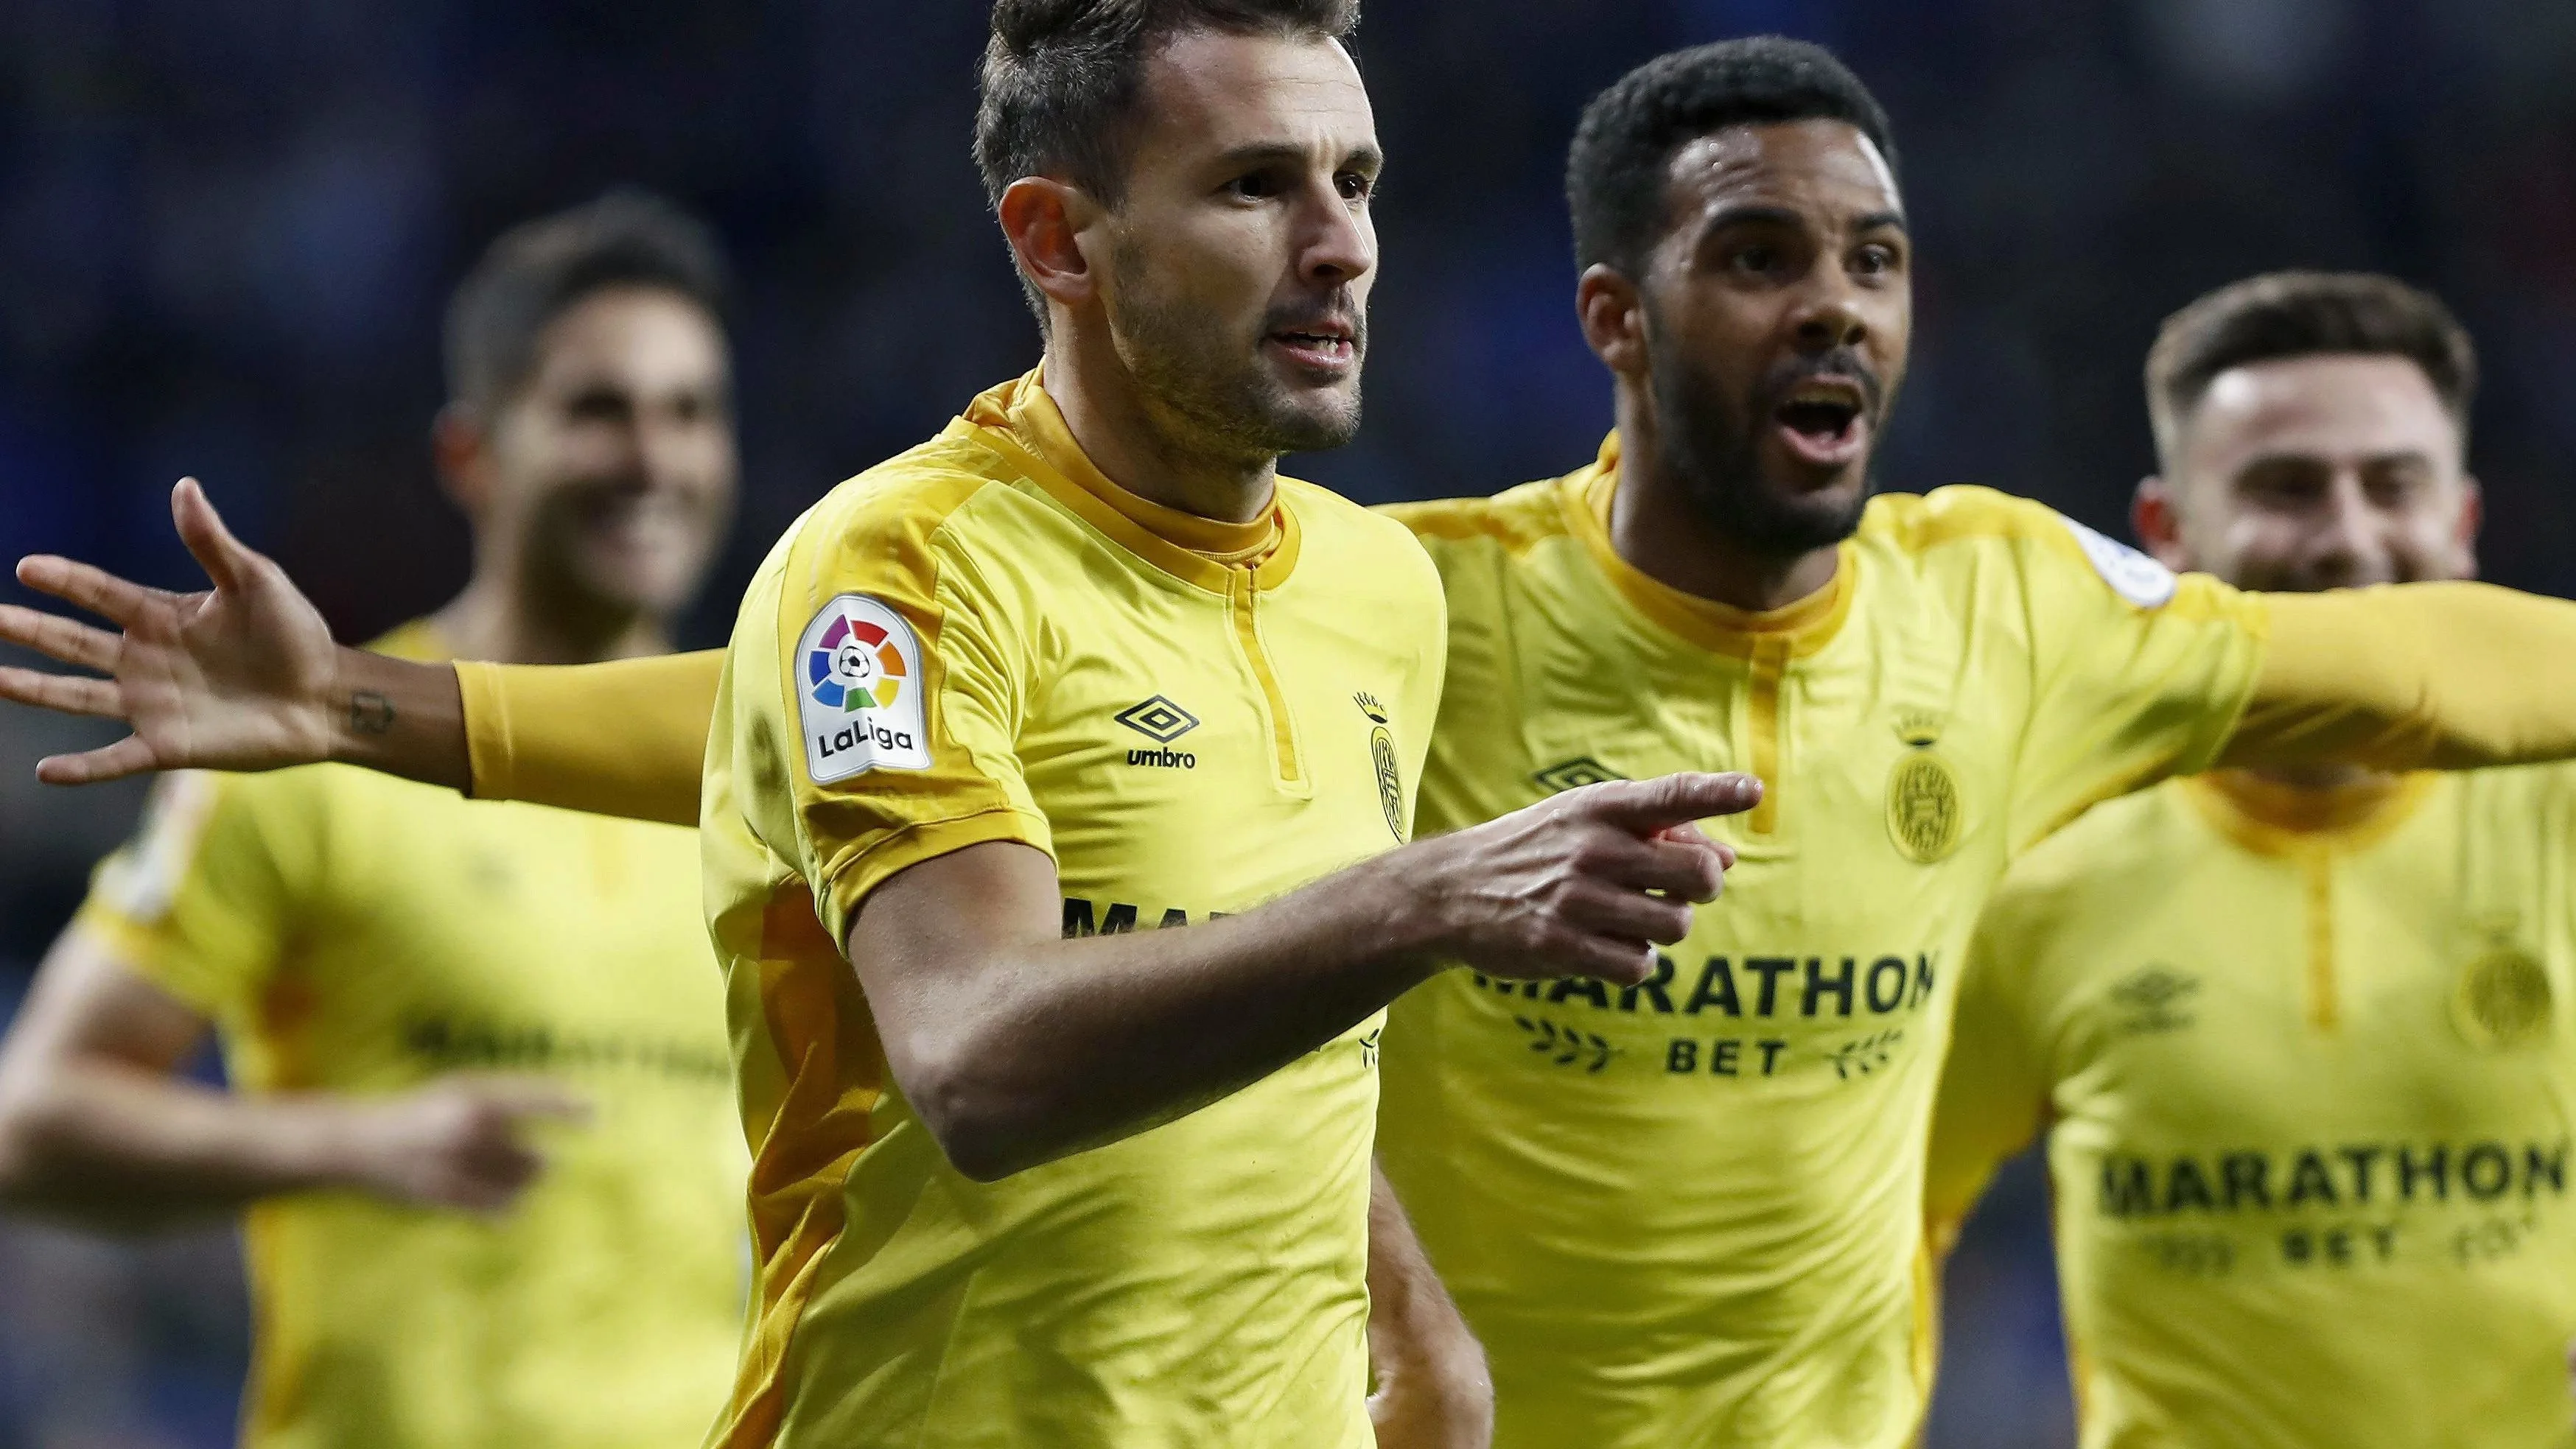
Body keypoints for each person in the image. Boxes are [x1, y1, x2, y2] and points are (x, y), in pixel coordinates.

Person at [15, 29, 2576, 1449]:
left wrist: (1404, 1324)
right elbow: (877, 828)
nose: (1831, 311)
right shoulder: (1248, 588)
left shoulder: (1928, 604)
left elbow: (2435, 664)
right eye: (1759, 256)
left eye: (1874, 261)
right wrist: (390, 709)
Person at [0, 4, 1752, 1446]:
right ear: (1058, 239)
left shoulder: (1375, 588)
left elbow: (1261, 982)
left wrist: (1408, 1312)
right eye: (1253, 186)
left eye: (1355, 180)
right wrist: (1431, 897)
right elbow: (978, 1057)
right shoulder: (900, 562)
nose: (1342, 244)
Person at [0, 192, 751, 1447]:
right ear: (473, 455)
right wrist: (352, 1139)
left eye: (691, 412)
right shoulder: (311, 753)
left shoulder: (758, 772)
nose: (653, 460)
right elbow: (32, 1125)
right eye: (596, 409)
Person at [1924, 271, 2576, 1447]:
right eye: (2286, 486)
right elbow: (1882, 1236)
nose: (2347, 537)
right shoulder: (2038, 865)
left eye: (2393, 484)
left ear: (2465, 526)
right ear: (2166, 536)